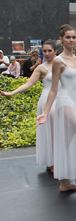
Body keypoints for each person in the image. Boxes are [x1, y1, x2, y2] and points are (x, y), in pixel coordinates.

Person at [37, 24, 76, 198]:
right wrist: (45, 111)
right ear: (61, 40)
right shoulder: (58, 60)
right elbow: (54, 89)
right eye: (68, 37)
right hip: (64, 104)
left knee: (68, 142)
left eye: (73, 37)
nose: (71, 40)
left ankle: (65, 183)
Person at [1, 40, 58, 172]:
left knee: (58, 131)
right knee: (48, 132)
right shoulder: (40, 68)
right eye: (45, 51)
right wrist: (11, 93)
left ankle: (56, 160)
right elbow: (27, 84)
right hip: (46, 101)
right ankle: (50, 162)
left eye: (50, 50)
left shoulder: (62, 65)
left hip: (60, 100)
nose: (47, 53)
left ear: (55, 51)